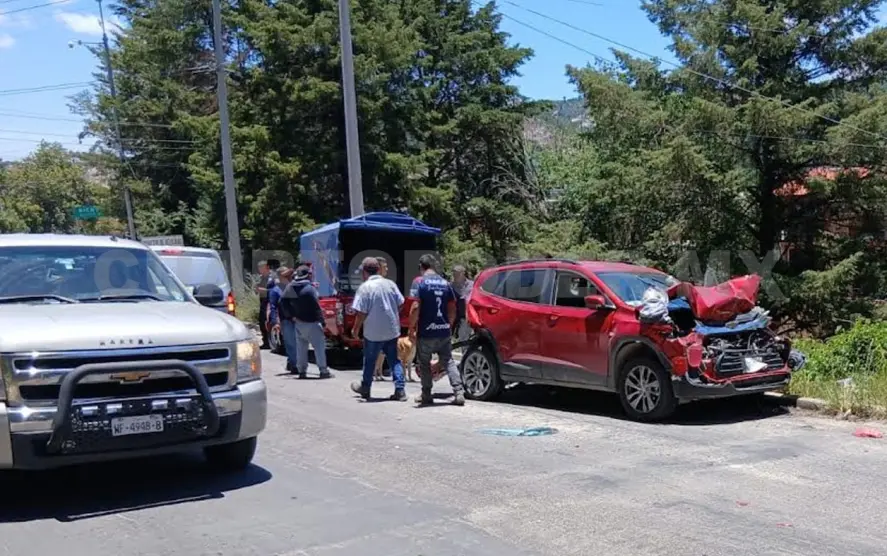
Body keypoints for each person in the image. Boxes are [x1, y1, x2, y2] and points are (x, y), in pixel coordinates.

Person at [409, 254, 465, 406]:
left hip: (426, 331)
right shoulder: (445, 283)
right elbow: (452, 307)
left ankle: (426, 394)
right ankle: (459, 392)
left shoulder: (419, 282)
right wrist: (448, 325)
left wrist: (411, 328)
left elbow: (415, 307)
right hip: (443, 330)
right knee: (448, 361)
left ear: (421, 267)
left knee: (424, 363)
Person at [349, 257, 407, 401]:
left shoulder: (365, 288)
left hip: (373, 332)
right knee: (394, 360)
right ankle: (400, 390)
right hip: (391, 329)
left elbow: (361, 312)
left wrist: (355, 329)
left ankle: (365, 388)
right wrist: (391, 314)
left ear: (364, 272)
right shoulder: (390, 284)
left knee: (370, 360)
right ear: (378, 269)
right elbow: (401, 303)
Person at [287, 265, 332, 379]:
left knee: (301, 349)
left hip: (299, 322)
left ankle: (302, 371)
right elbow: (316, 306)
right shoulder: (310, 289)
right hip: (312, 322)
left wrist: (292, 316)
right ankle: (323, 371)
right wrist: (323, 322)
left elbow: (283, 302)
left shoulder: (291, 287)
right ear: (308, 275)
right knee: (319, 348)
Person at [276, 267, 300, 373]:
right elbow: (279, 305)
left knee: (295, 343)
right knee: (291, 343)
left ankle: (293, 363)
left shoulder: (293, 286)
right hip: (287, 320)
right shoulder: (280, 288)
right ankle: (294, 364)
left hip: (293, 319)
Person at [450, 264, 474, 344]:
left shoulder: (471, 285)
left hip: (466, 317)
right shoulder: (450, 286)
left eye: (457, 273)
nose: (455, 275)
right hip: (453, 316)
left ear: (463, 273)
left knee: (464, 339)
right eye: (454, 273)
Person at [256, 260, 274, 349]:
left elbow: (276, 290)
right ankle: (265, 341)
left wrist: (264, 290)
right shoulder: (261, 278)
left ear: (266, 267)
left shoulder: (273, 278)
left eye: (261, 268)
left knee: (269, 322)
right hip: (262, 302)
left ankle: (271, 341)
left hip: (270, 303)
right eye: (259, 268)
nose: (259, 270)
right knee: (262, 322)